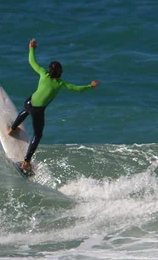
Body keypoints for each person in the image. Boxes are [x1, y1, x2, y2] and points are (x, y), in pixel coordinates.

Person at [8, 38, 99, 173]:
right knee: (38, 135)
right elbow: (78, 89)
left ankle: (12, 129)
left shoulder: (43, 74)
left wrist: (31, 49)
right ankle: (26, 162)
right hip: (38, 111)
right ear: (60, 72)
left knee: (26, 110)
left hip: (29, 102)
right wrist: (90, 86)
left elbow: (32, 62)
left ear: (49, 70)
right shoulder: (61, 84)